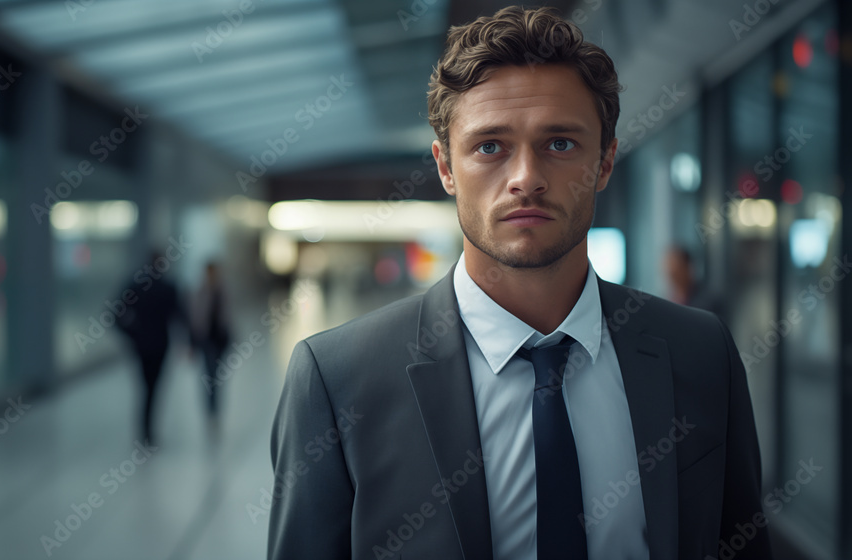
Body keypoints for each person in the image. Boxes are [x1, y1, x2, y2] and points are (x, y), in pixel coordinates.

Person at [268, 7, 770, 560]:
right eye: (490, 146)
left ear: (604, 163)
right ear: (445, 168)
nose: (526, 178)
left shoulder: (699, 352)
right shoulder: (338, 380)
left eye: (559, 143)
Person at [116, 250, 190, 446]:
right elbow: (181, 318)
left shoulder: (136, 286)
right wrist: (189, 342)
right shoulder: (168, 287)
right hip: (160, 345)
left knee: (145, 386)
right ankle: (148, 431)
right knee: (153, 388)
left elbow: (115, 314)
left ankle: (145, 429)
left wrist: (132, 334)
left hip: (141, 345)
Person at [191, 262, 231, 436]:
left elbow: (228, 317)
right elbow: (195, 317)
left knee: (217, 376)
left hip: (220, 340)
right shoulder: (200, 291)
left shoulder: (223, 291)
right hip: (206, 340)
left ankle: (215, 410)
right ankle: (210, 411)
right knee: (209, 375)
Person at [665, 244, 724, 317]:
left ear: (688, 268)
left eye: (676, 272)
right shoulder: (670, 302)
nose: (673, 278)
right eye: (670, 273)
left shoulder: (707, 301)